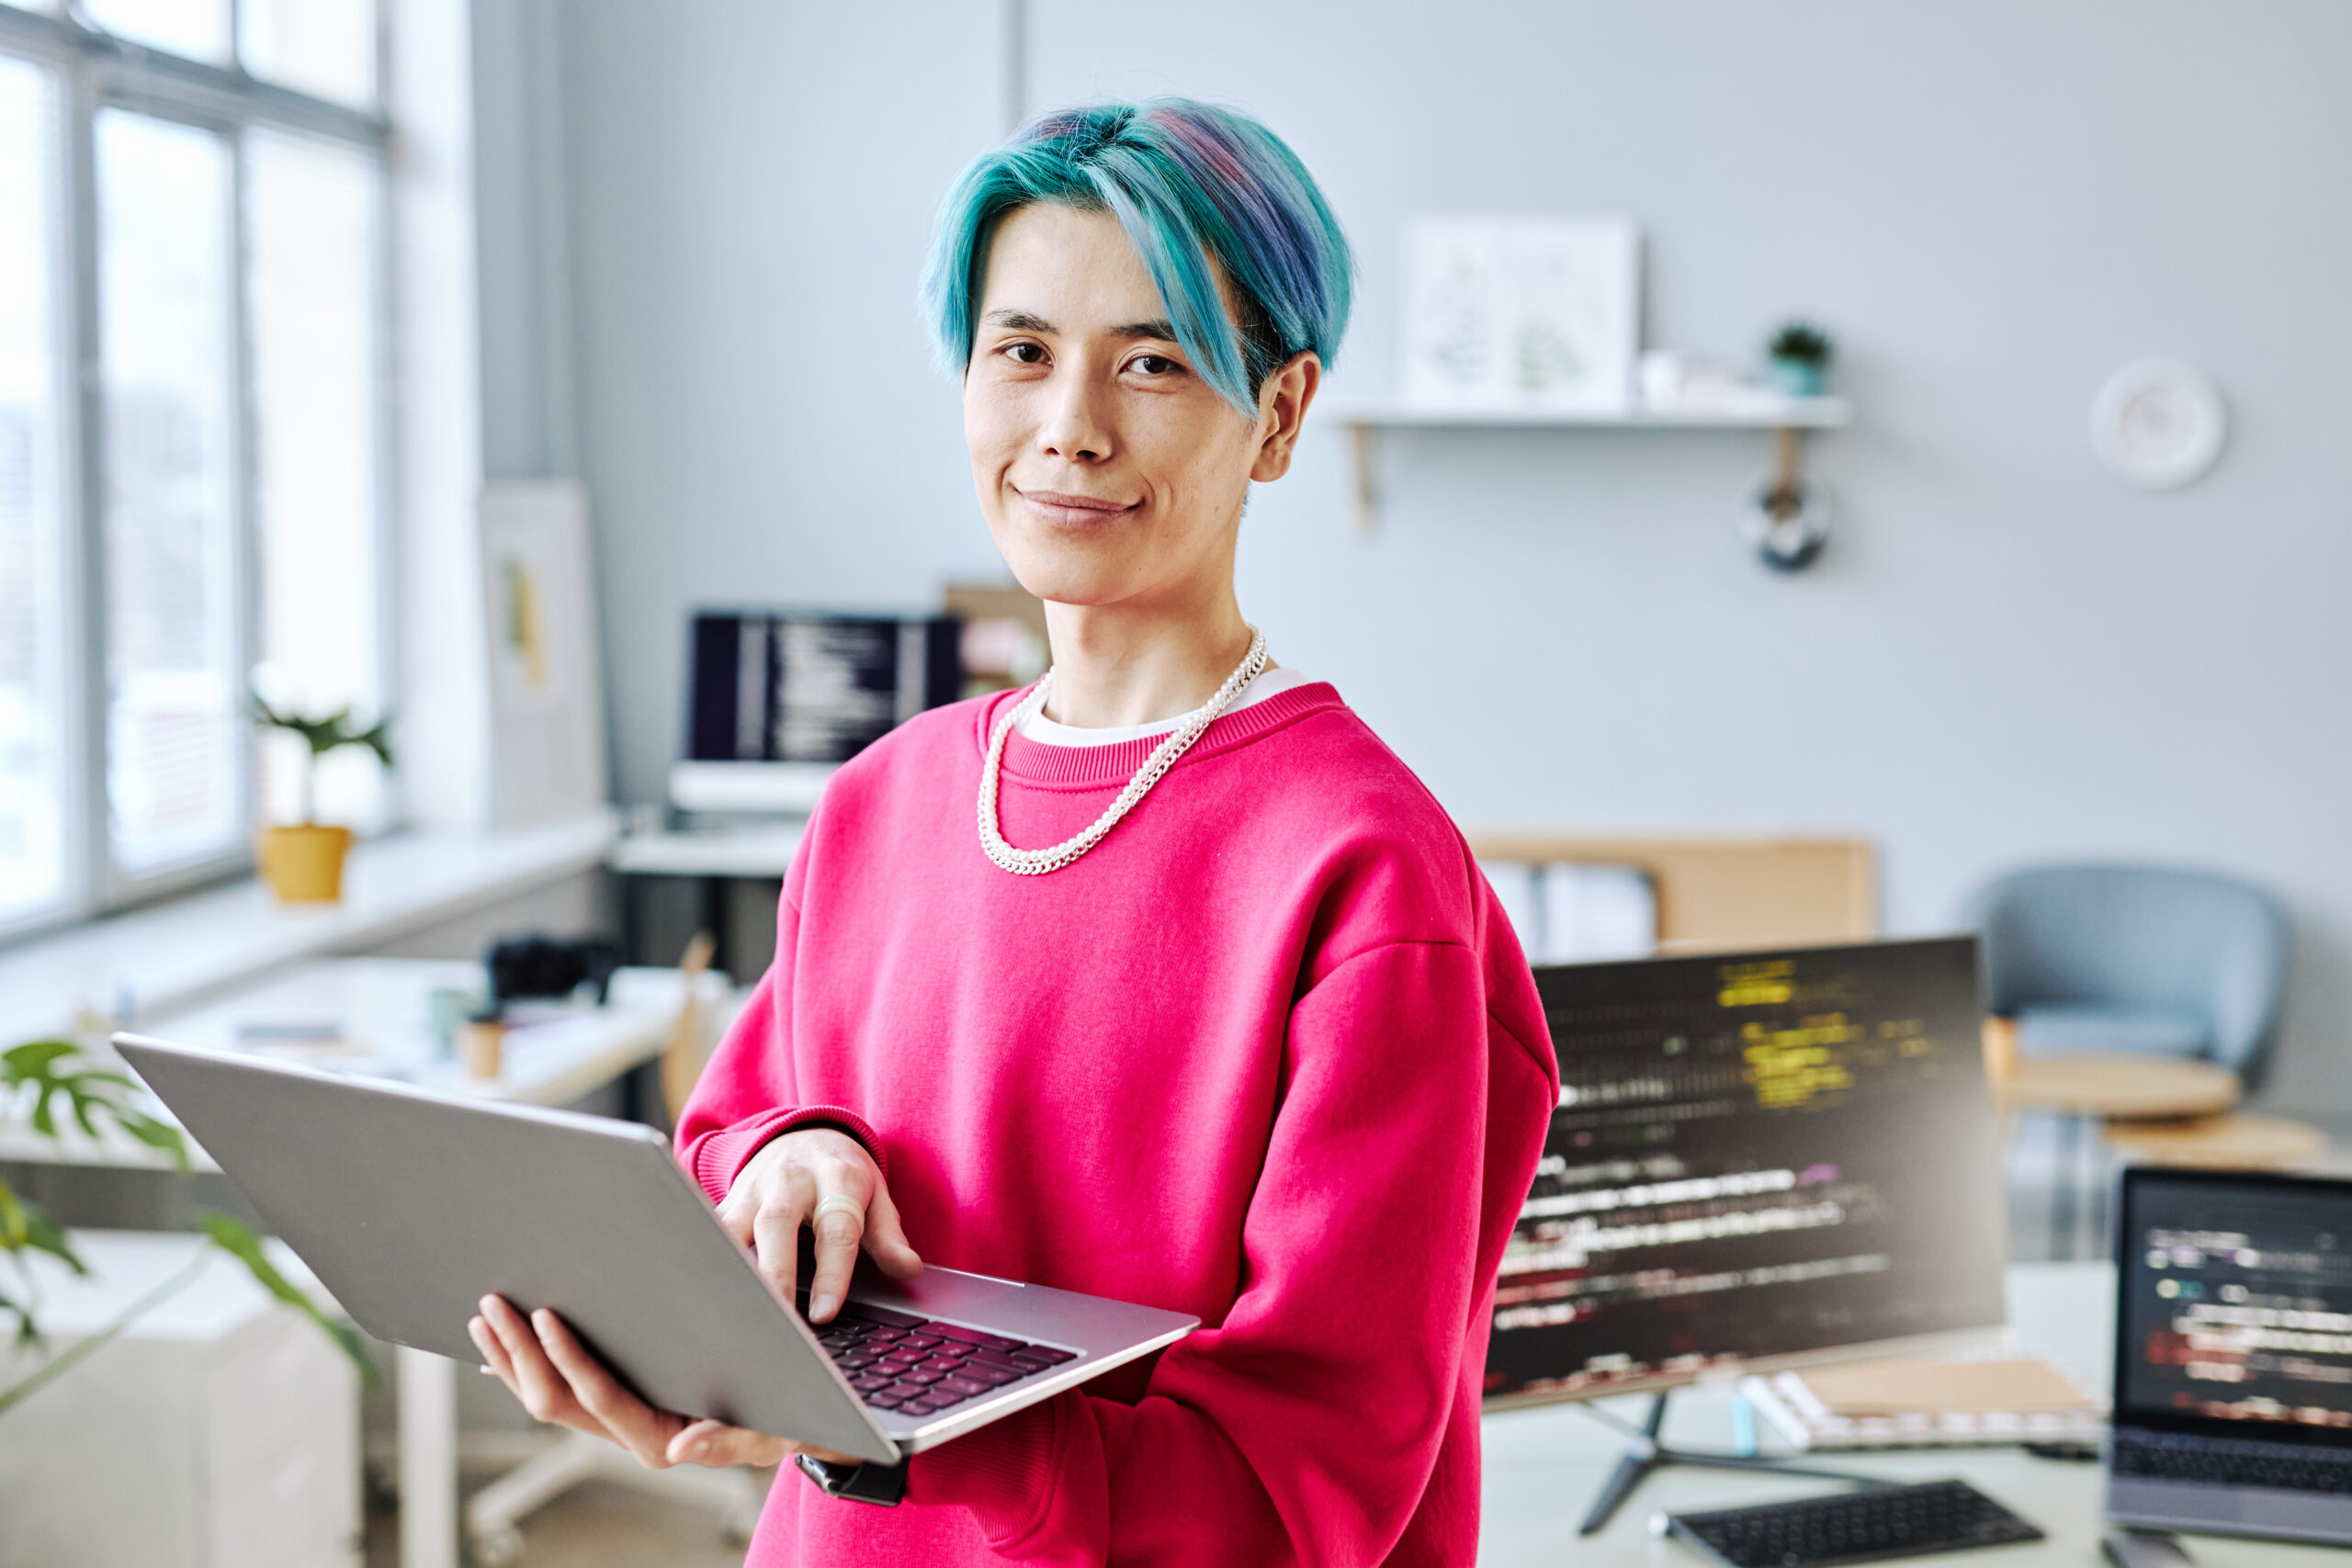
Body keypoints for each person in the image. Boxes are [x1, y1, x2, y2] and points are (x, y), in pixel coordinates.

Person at [469, 98, 1558, 1565]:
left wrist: (899, 1435)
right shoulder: (884, 798)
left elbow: (1296, 1495)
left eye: (1155, 363)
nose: (1070, 429)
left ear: (1281, 414)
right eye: (1022, 352)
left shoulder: (1370, 875)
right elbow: (739, 1125)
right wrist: (802, 1162)